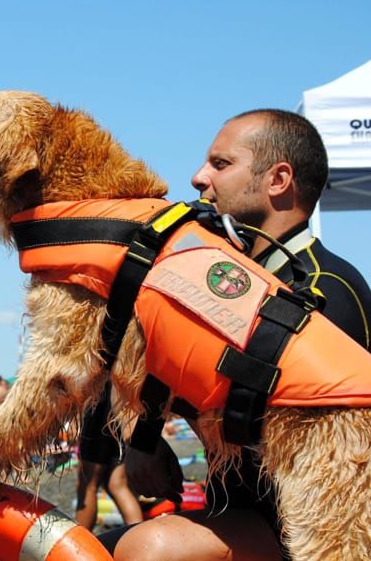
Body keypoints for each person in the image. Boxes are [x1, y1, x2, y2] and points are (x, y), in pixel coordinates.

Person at [108, 109, 371, 560]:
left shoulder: (328, 290)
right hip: (235, 510)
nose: (197, 178)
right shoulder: (235, 279)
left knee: (148, 546)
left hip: (306, 534)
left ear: (278, 179)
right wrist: (144, 440)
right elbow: (162, 356)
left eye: (221, 164)